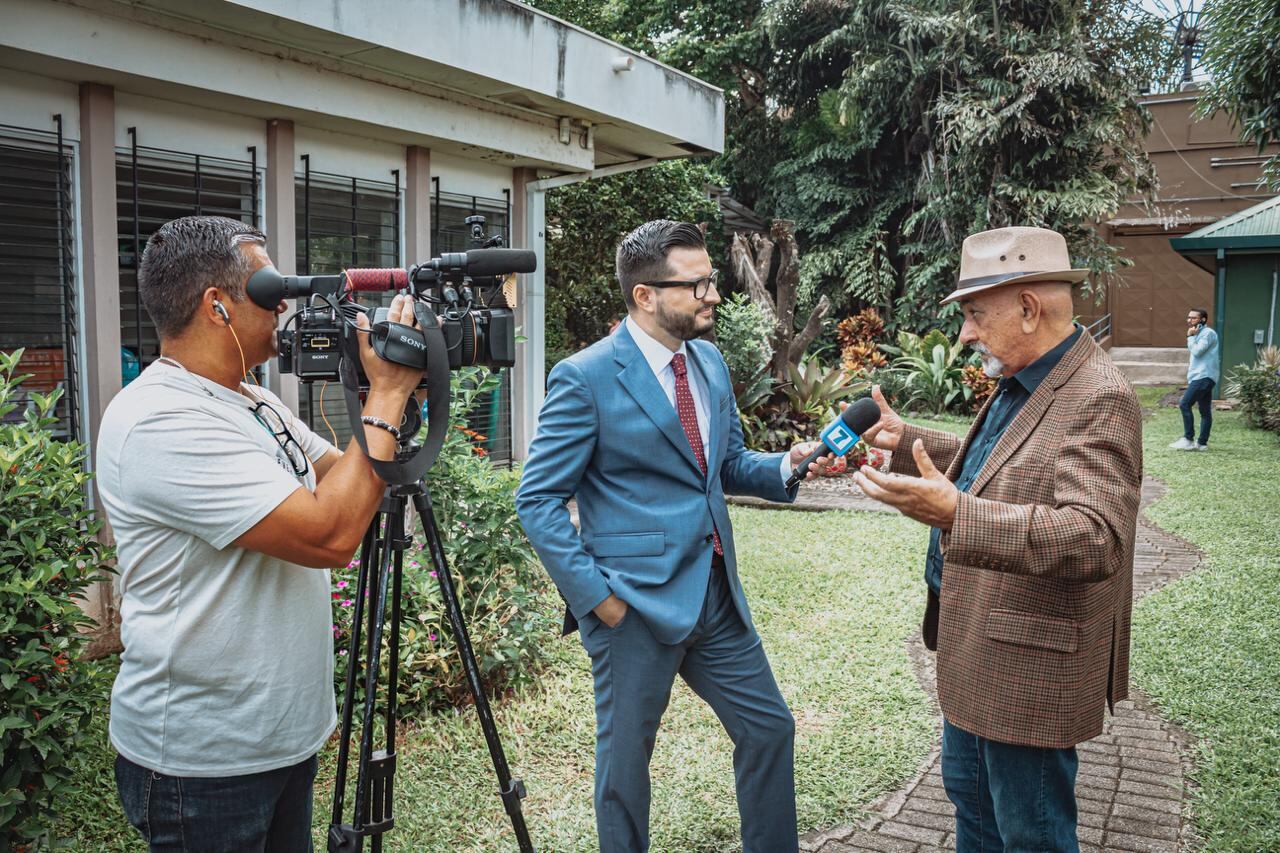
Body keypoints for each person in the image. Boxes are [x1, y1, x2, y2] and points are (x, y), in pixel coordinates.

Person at [95, 215, 425, 851]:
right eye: (269, 290)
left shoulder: (253, 400)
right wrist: (385, 396)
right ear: (218, 306)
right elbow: (332, 534)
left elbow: (349, 479)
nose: (285, 306)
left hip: (279, 740)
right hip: (204, 762)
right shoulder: (161, 420)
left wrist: (381, 386)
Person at [516, 220, 828, 853]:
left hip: (714, 595)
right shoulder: (585, 378)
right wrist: (598, 600)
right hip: (632, 605)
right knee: (627, 766)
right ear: (645, 296)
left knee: (769, 729)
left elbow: (728, 465)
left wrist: (789, 464)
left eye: (710, 279)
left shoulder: (708, 361)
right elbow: (538, 499)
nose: (714, 293)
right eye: (698, 284)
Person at [851, 226, 1143, 852]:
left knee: (1029, 835)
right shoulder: (1029, 377)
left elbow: (1096, 538)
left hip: (1027, 667)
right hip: (982, 648)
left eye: (975, 315)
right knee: (975, 817)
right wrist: (909, 443)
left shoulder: (1099, 396)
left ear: (1030, 309)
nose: (965, 333)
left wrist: (958, 514)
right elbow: (1003, 463)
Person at [1170, 308, 1220, 451]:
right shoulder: (1199, 333)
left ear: (1203, 320)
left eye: (1193, 318)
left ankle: (1188, 439)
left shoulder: (1208, 333)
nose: (1189, 320)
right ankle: (1202, 444)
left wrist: (1190, 337)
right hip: (1201, 376)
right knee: (1205, 411)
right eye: (1189, 317)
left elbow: (1198, 352)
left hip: (1203, 376)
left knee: (1184, 404)